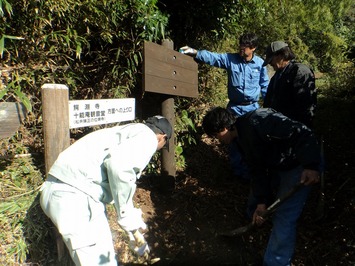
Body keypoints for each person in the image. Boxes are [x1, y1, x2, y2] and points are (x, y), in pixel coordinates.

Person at [40, 115, 172, 266]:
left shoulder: (125, 132)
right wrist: (126, 216)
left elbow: (115, 176)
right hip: (75, 195)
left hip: (70, 191)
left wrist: (131, 230)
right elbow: (120, 167)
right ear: (162, 138)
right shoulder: (148, 137)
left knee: (105, 260)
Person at [202, 107, 320, 266]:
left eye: (216, 136)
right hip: (279, 165)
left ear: (223, 128)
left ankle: (275, 262)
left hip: (299, 165)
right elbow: (256, 169)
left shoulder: (259, 120)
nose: (217, 140)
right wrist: (261, 202)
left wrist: (311, 165)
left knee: (284, 216)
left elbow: (302, 132)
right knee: (257, 199)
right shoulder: (240, 139)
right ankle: (256, 223)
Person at [180, 33, 269, 181]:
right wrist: (194, 52)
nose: (241, 50)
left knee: (251, 141)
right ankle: (238, 173)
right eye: (240, 46)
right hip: (234, 109)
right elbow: (213, 57)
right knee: (233, 141)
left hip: (252, 109)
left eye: (244, 48)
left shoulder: (260, 64)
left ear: (253, 48)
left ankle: (253, 173)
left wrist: (270, 106)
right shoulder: (230, 59)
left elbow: (265, 86)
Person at [262, 41, 317, 128]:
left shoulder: (300, 71)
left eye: (271, 59)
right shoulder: (277, 76)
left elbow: (306, 106)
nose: (270, 64)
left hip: (294, 129)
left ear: (281, 56)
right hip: (279, 127)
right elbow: (269, 102)